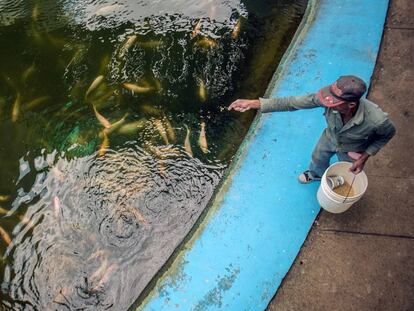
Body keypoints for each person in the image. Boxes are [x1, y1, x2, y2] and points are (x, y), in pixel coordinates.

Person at [228, 75, 396, 183]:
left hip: (353, 149)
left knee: (348, 171)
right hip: (330, 137)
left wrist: (364, 157)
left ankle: (341, 180)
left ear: (351, 104)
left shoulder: (377, 120)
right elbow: (292, 102)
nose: (327, 103)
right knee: (318, 157)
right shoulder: (327, 98)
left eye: (334, 103)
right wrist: (254, 103)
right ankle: (315, 174)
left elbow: (387, 135)